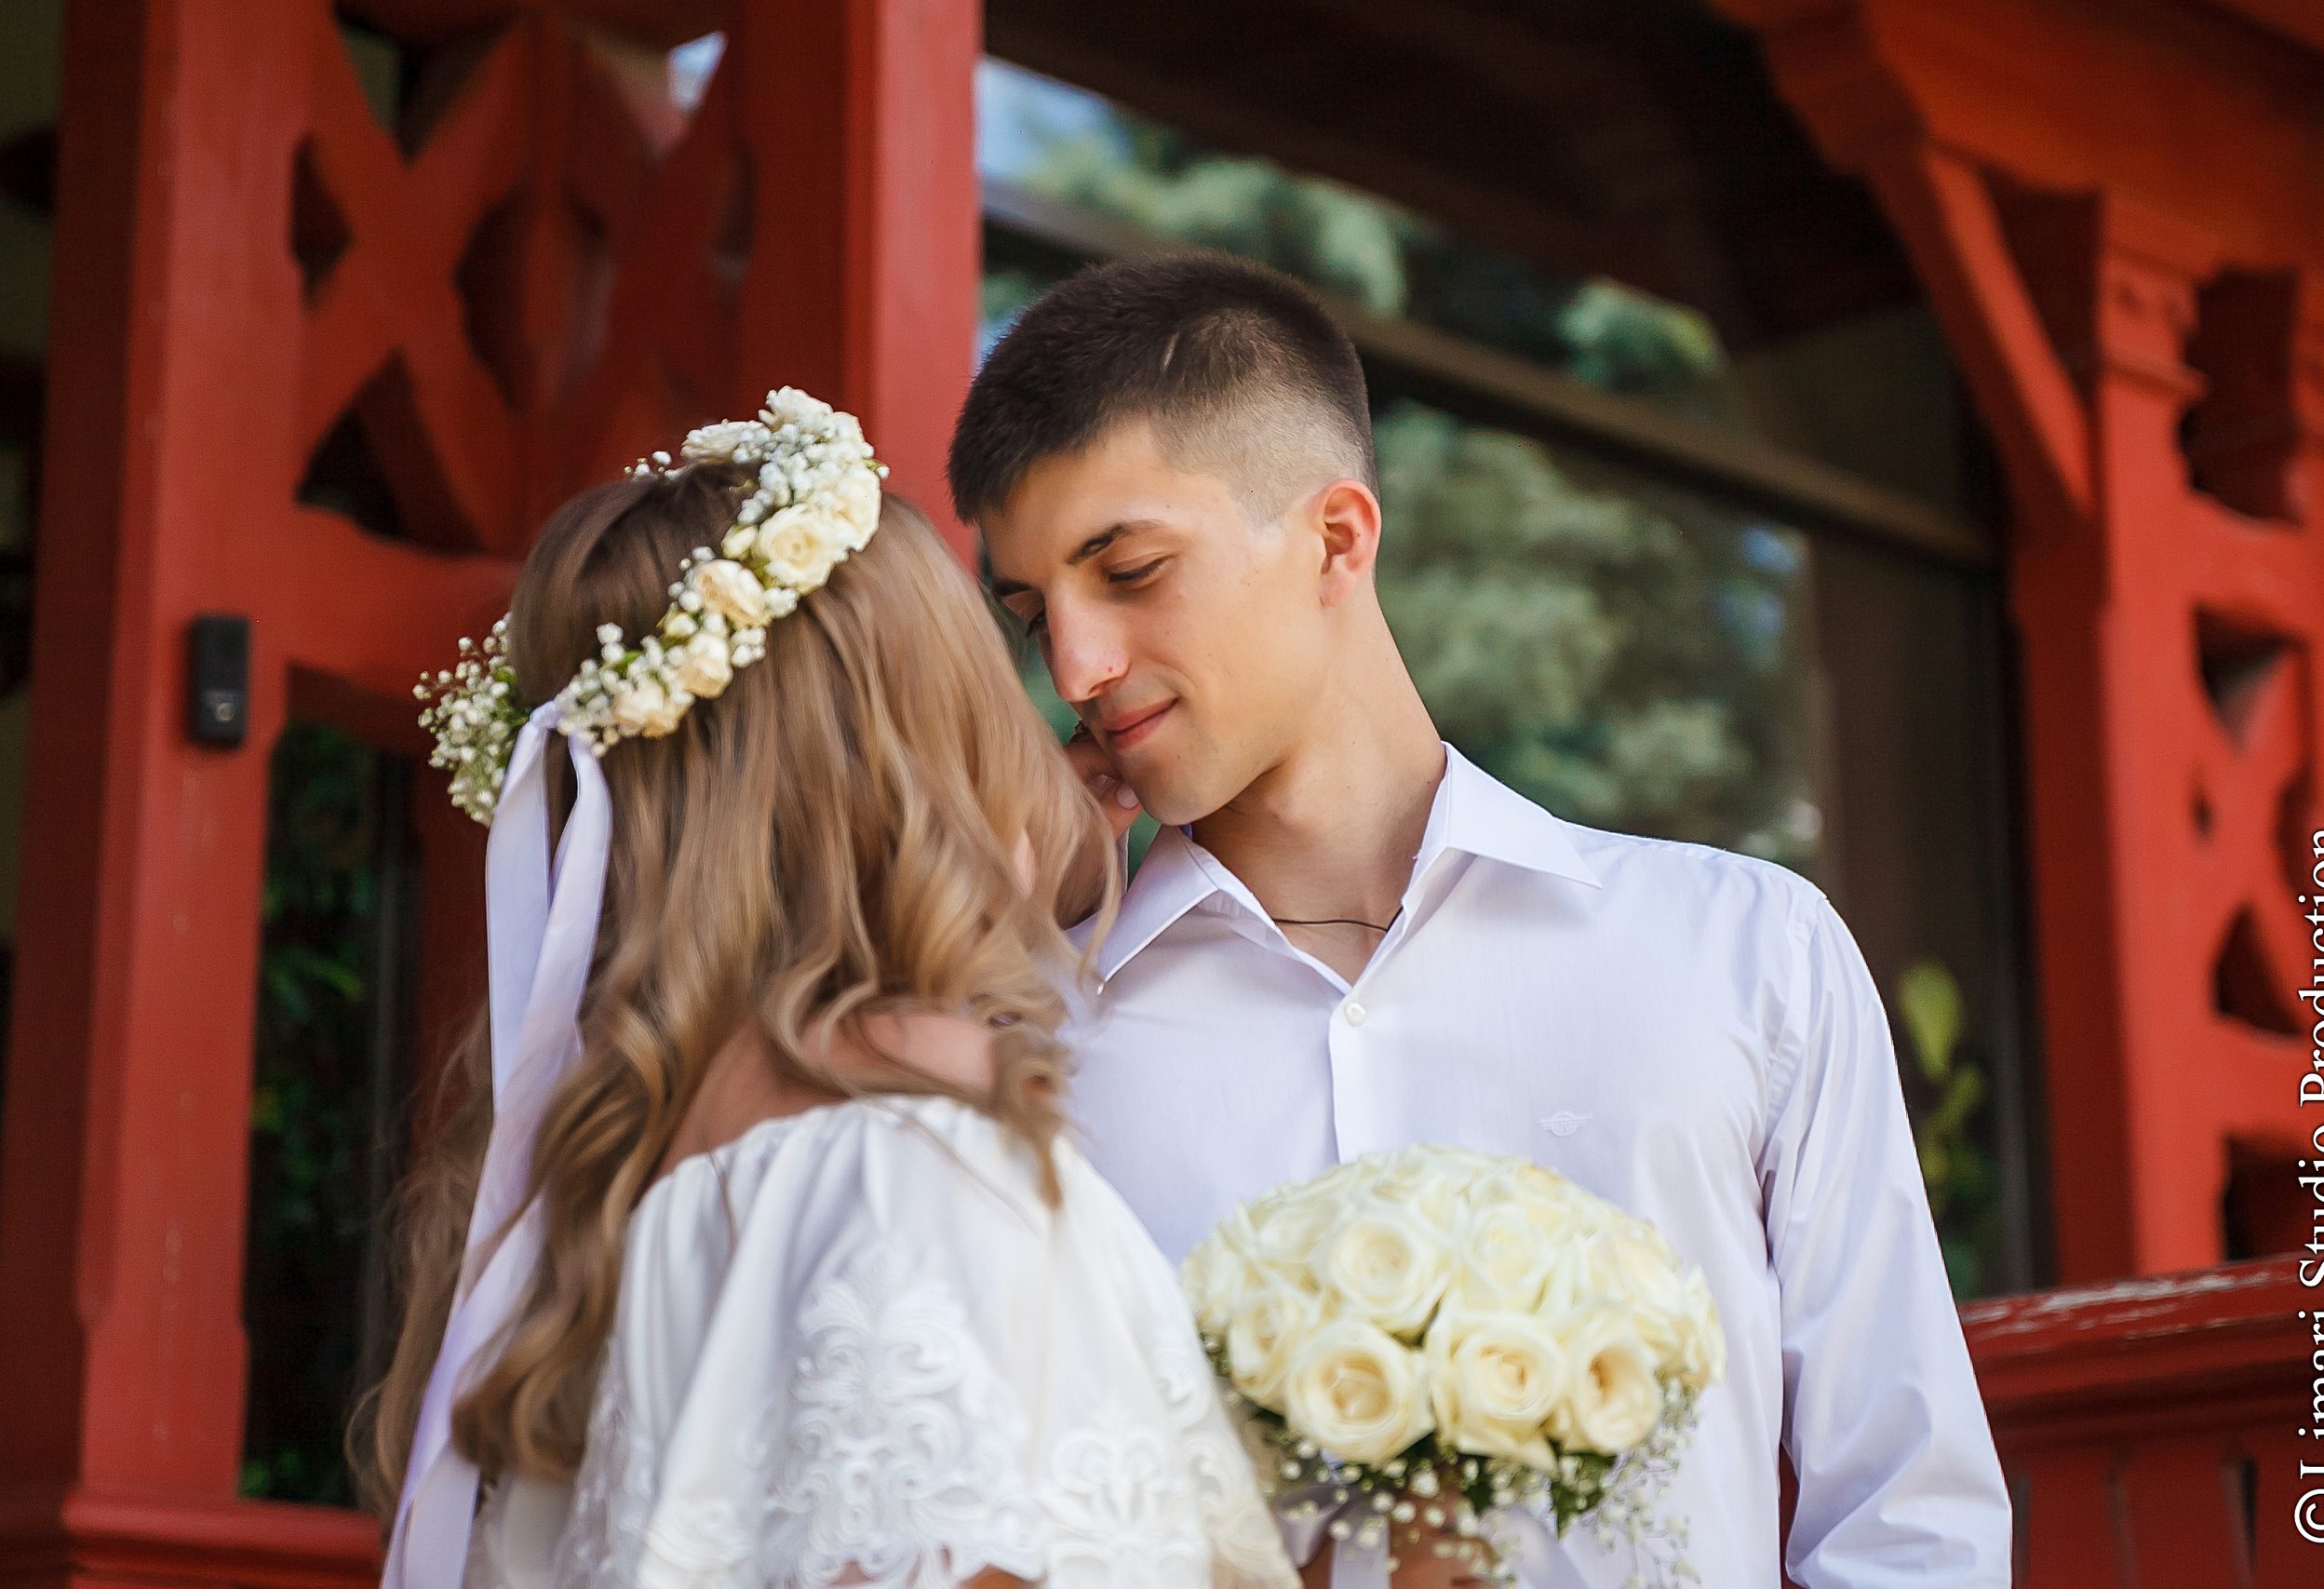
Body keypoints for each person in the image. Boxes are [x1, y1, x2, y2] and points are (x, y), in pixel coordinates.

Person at [954, 256, 2012, 1589]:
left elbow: (1910, 1522)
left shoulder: (1746, 952)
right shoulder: (1028, 1037)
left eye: (1130, 570)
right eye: (1031, 615)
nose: (1075, 667)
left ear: (1337, 539)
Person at [356, 393, 1299, 1589]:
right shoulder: (910, 1173)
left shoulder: (585, 1220)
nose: (1057, 701)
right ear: (921, 765)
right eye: (993, 682)